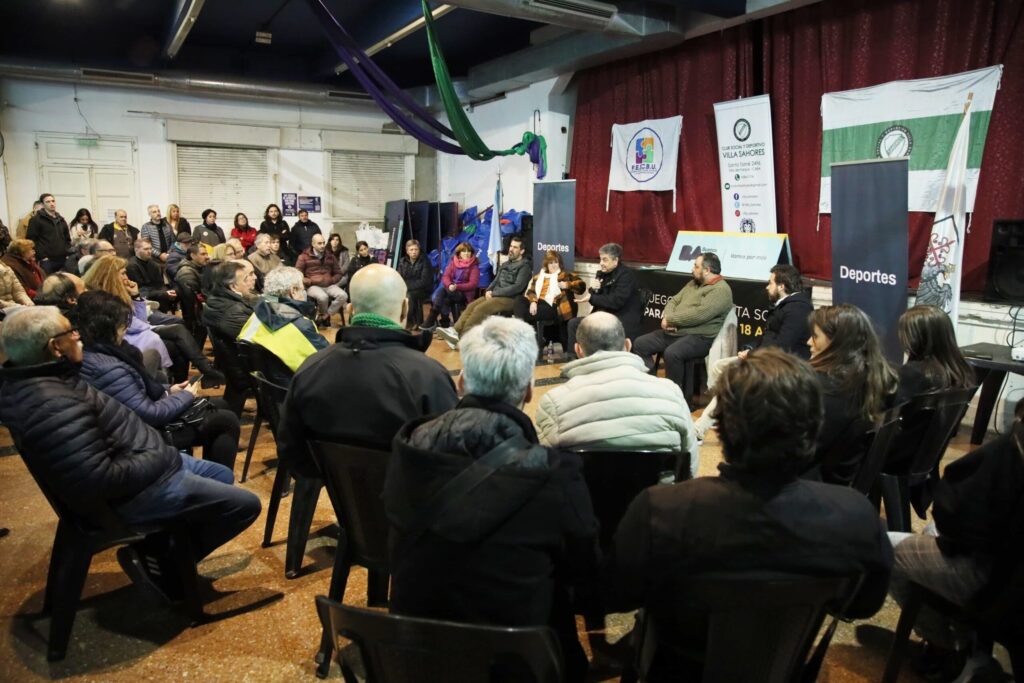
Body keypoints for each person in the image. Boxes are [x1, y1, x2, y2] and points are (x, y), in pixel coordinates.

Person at [604, 347, 893, 681]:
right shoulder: (856, 518)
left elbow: (619, 593)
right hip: (784, 670)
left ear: (720, 426)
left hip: (675, 670)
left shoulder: (660, 510)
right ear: (814, 425)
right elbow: (863, 604)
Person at [385, 316, 600, 683]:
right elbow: (585, 573)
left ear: (461, 383)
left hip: (418, 656)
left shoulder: (408, 446)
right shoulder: (553, 472)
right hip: (519, 662)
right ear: (529, 390)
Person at [0, 306, 260, 602]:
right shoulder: (54, 404)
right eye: (71, 332)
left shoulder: (41, 381)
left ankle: (162, 550)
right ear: (55, 346)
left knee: (221, 474)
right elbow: (98, 478)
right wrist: (159, 456)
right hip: (132, 491)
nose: (78, 336)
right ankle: (167, 567)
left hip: (139, 462)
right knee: (245, 505)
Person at [886, 398, 1024, 681]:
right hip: (1006, 571)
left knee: (886, 548)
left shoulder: (1015, 448)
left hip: (998, 583)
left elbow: (958, 515)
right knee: (931, 531)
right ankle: (970, 645)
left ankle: (947, 649)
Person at [277, 264, 457, 478]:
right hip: (411, 497)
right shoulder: (429, 377)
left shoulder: (310, 369)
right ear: (404, 308)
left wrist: (341, 484)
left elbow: (291, 449)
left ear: (350, 310)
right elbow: (451, 463)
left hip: (340, 493)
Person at [75, 290, 241, 471]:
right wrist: (186, 396)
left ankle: (212, 473)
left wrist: (169, 390)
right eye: (123, 327)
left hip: (130, 423)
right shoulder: (109, 368)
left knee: (221, 405)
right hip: (139, 436)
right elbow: (150, 414)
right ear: (109, 329)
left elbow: (133, 390)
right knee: (226, 420)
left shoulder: (99, 352)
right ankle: (216, 476)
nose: (126, 331)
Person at [535, 312, 699, 477]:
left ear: (578, 350)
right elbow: (690, 466)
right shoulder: (671, 393)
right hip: (660, 493)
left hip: (586, 493)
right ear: (628, 345)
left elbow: (543, 471)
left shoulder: (553, 403)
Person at [692, 263, 813, 440]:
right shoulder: (784, 305)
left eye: (770, 283)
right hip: (765, 357)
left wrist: (752, 355)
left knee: (731, 381)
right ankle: (725, 410)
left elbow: (783, 346)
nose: (767, 287)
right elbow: (768, 338)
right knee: (719, 367)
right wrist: (750, 349)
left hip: (784, 365)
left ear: (781, 286)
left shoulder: (798, 309)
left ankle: (698, 430)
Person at [84, 255, 224, 386]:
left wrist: (136, 296)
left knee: (178, 331)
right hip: (126, 339)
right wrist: (145, 326)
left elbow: (141, 320)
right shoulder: (101, 298)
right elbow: (129, 326)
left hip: (138, 332)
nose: (126, 277)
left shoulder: (119, 291)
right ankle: (197, 377)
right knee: (176, 340)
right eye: (123, 273)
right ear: (111, 275)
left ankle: (193, 379)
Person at [806, 304, 899, 486]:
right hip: (844, 479)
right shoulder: (878, 379)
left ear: (836, 342)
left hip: (812, 483)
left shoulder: (826, 390)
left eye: (815, 336)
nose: (809, 342)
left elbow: (798, 450)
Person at [632, 253, 733, 391]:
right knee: (640, 344)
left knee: (672, 353)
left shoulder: (720, 290)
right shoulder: (693, 283)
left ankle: (675, 395)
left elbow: (700, 314)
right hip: (677, 331)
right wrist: (668, 317)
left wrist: (671, 320)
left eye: (696, 266)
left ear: (707, 270)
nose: (692, 269)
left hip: (700, 337)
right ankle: (651, 387)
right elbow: (674, 300)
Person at [436, 236, 531, 349]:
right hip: (496, 295)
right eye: (511, 246)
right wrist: (489, 290)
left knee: (480, 309)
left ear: (522, 251)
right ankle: (455, 331)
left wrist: (495, 293)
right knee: (472, 306)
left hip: (511, 299)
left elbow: (517, 287)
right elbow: (495, 281)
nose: (511, 249)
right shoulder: (505, 264)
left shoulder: (524, 267)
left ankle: (463, 337)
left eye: (515, 247)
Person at [238, 266, 328, 379]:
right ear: (293, 291)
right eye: (302, 288)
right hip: (298, 385)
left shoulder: (256, 315)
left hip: (268, 385)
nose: (304, 292)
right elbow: (326, 361)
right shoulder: (300, 326)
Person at [566, 243, 643, 359]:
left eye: (605, 260)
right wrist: (595, 290)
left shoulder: (626, 275)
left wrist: (592, 298)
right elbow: (597, 299)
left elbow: (616, 302)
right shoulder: (603, 274)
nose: (601, 263)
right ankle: (574, 360)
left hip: (622, 318)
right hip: (604, 316)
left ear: (615, 260)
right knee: (573, 324)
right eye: (600, 259)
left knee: (595, 328)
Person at [513, 250, 586, 334]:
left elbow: (582, 286)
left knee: (523, 313)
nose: (553, 265)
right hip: (538, 303)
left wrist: (567, 285)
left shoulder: (565, 275)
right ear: (546, 264)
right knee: (519, 299)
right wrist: (533, 302)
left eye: (556, 262)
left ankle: (521, 331)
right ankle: (524, 329)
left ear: (559, 263)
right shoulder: (538, 277)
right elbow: (531, 291)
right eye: (551, 263)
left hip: (553, 306)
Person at [420, 241, 479, 332]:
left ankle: (432, 319)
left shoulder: (474, 267)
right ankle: (445, 325)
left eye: (469, 251)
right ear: (459, 253)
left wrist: (456, 286)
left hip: (464, 294)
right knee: (445, 298)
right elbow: (445, 276)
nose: (466, 253)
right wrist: (450, 285)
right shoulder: (453, 263)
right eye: (464, 251)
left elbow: (473, 284)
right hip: (451, 290)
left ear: (472, 253)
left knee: (443, 290)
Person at [295, 232, 347, 328]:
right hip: (313, 286)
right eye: (319, 243)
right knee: (323, 297)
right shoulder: (303, 257)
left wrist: (332, 280)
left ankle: (325, 316)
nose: (322, 245)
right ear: (313, 244)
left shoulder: (330, 256)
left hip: (329, 284)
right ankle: (324, 319)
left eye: (323, 243)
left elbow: (338, 272)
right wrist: (309, 281)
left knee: (343, 295)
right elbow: (297, 273)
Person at [202, 261, 257, 340]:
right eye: (245, 279)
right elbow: (260, 338)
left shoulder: (217, 297)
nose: (254, 278)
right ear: (233, 286)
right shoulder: (233, 313)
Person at [126, 238, 177, 313]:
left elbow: (160, 283)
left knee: (177, 290)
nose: (149, 251)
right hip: (142, 295)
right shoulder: (131, 266)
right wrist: (163, 293)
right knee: (163, 294)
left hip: (155, 292)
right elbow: (140, 289)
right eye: (146, 249)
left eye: (150, 248)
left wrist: (167, 292)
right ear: (136, 250)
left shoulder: (154, 264)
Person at [26, 193, 71, 274]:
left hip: (63, 259)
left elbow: (67, 238)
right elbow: (31, 240)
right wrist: (42, 256)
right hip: (47, 261)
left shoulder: (61, 220)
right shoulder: (36, 220)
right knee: (49, 281)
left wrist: (67, 252)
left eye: (53, 201)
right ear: (43, 204)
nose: (52, 203)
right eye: (48, 202)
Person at [396, 239, 433, 330]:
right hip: (408, 288)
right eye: (411, 250)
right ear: (407, 251)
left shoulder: (425, 261)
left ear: (419, 250)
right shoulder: (402, 261)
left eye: (416, 249)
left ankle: (410, 322)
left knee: (410, 296)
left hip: (423, 289)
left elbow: (424, 281)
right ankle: (400, 320)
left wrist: (406, 286)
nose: (414, 252)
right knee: (404, 294)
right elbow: (399, 277)